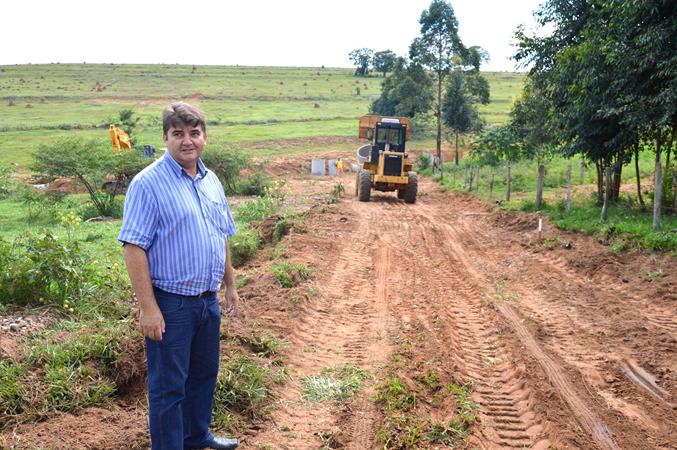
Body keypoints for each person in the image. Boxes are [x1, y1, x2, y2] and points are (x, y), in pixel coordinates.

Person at [118, 102, 239, 450]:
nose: (187, 141)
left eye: (194, 133)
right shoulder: (148, 184)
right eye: (178, 134)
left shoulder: (210, 180)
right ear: (165, 138)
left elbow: (222, 233)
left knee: (203, 376)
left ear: (204, 136)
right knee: (169, 387)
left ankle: (196, 436)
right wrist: (148, 308)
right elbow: (133, 247)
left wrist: (230, 285)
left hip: (206, 302)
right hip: (171, 304)